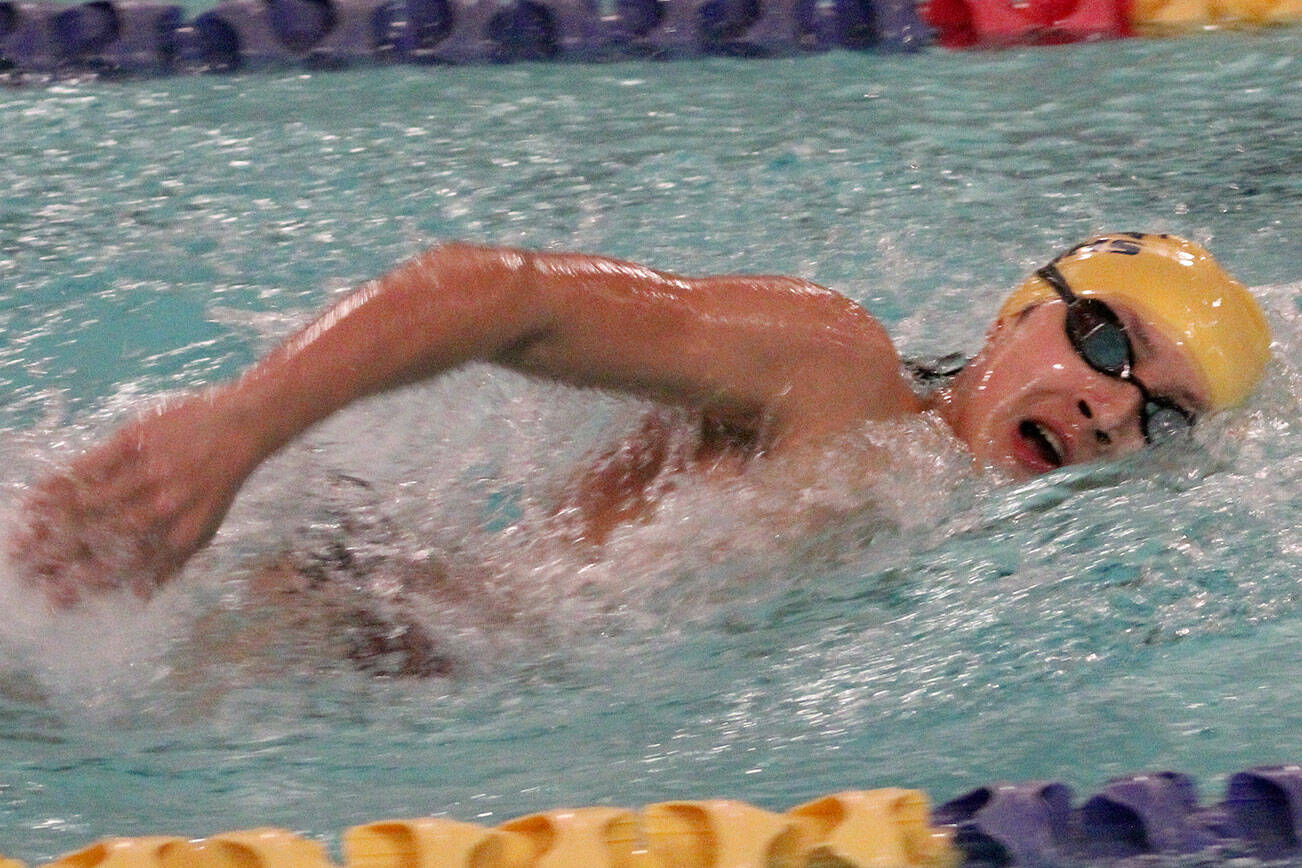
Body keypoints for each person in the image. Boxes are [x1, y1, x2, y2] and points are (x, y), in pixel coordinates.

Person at [9, 232, 1272, 607]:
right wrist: (233, 432)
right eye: (1106, 338)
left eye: (1159, 414)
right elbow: (497, 293)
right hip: (355, 631)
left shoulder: (991, 552)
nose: (1111, 407)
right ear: (1017, 313)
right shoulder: (839, 371)